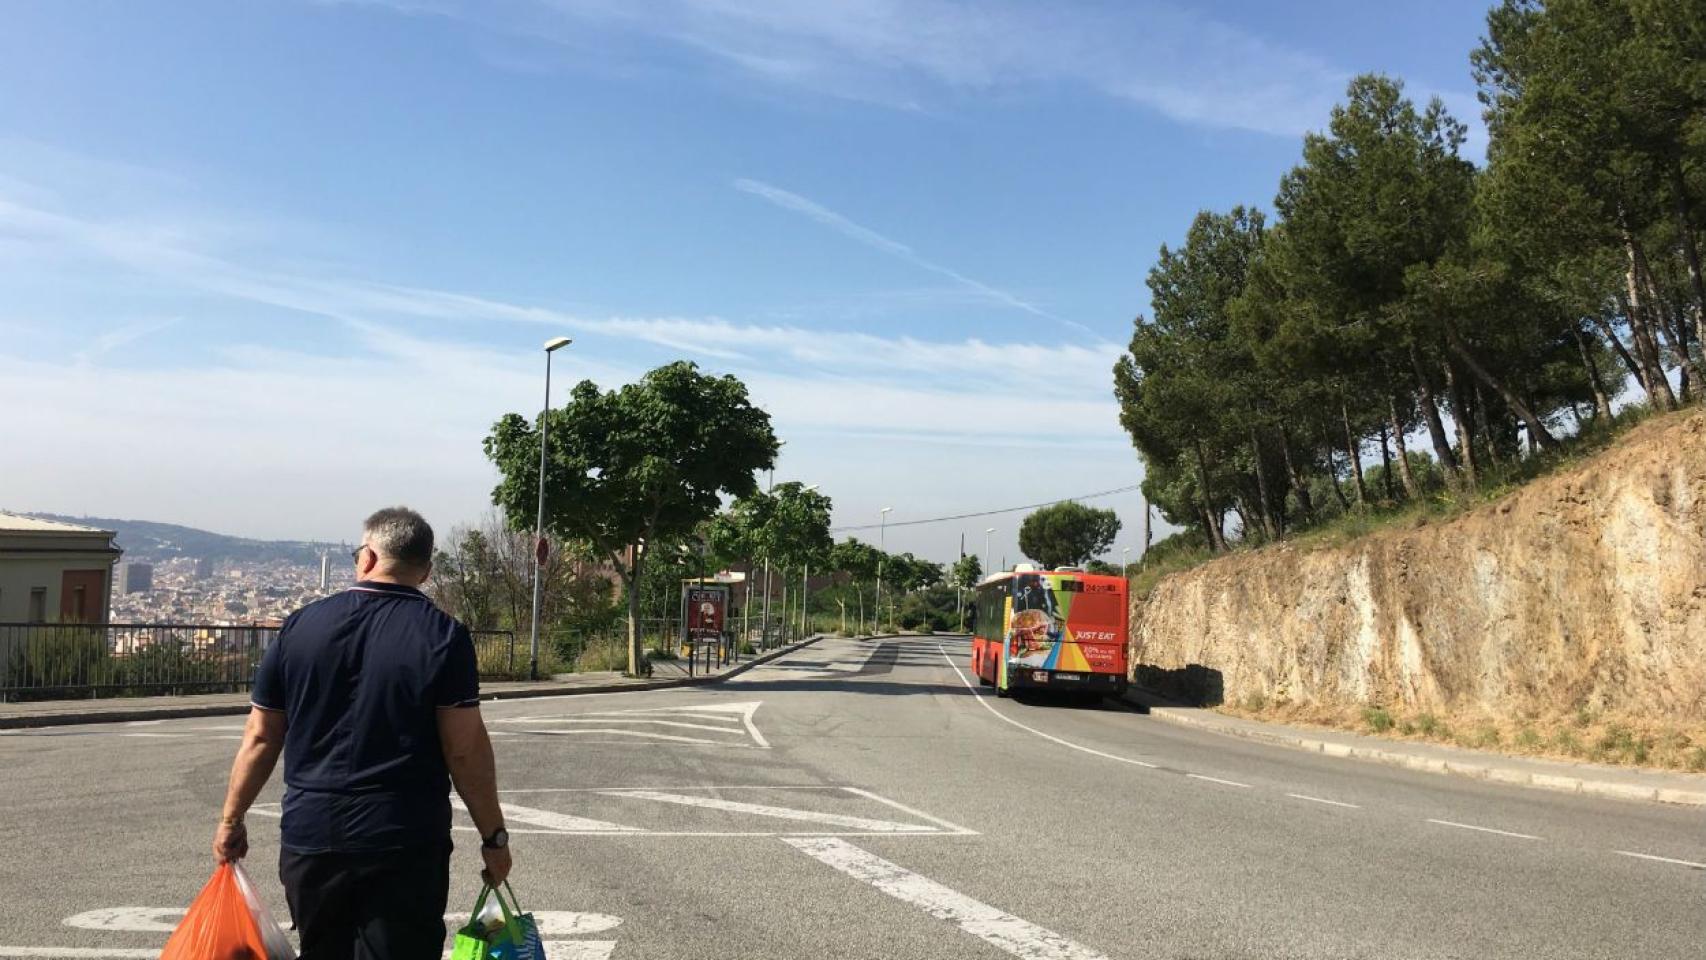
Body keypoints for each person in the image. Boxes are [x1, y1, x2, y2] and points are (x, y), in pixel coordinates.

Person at [212, 506, 512, 960]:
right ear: (426, 572)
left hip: (312, 834)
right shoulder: (444, 638)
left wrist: (231, 819)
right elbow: (464, 750)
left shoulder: (299, 628)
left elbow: (261, 736)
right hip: (404, 837)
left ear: (367, 557)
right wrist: (494, 838)